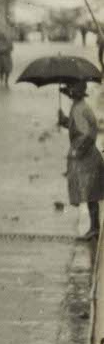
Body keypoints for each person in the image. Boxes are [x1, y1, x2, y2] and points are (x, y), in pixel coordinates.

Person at [62, 80, 104, 239]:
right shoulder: (78, 106)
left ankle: (95, 228)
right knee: (91, 192)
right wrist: (65, 121)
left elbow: (87, 134)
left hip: (87, 158)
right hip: (88, 157)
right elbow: (79, 128)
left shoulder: (80, 108)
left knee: (91, 193)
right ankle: (94, 228)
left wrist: (77, 151)